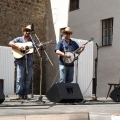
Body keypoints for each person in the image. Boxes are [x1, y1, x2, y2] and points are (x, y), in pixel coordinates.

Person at [9, 25, 39, 99]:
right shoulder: (19, 39)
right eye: (26, 30)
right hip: (20, 62)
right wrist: (18, 47)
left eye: (29, 31)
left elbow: (34, 51)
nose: (27, 32)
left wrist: (38, 48)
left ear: (31, 32)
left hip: (29, 63)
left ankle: (25, 94)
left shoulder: (33, 41)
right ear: (23, 32)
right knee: (20, 78)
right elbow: (10, 43)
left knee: (27, 80)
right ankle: (18, 94)